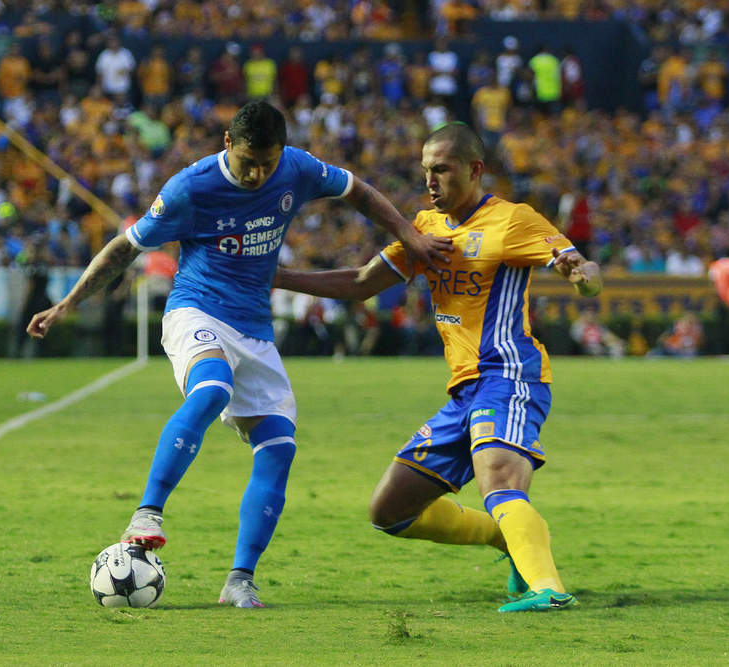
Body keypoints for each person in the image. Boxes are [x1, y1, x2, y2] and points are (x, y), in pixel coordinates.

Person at [27, 101, 452, 608]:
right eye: (248, 162)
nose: (257, 175)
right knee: (212, 388)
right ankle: (147, 513)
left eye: (267, 164)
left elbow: (357, 191)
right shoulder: (191, 188)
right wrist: (68, 303)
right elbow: (126, 246)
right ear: (228, 142)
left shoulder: (298, 168)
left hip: (254, 329)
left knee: (279, 447)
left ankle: (239, 581)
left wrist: (407, 233)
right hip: (197, 311)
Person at [273, 122, 602, 613]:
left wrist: (582, 277)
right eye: (426, 170)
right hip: (464, 392)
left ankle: (548, 590)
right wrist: (277, 277)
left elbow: (582, 267)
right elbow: (362, 283)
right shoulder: (425, 228)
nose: (430, 181)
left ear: (474, 170)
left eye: (442, 170)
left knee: (498, 477)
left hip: (509, 375)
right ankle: (508, 537)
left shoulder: (512, 220)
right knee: (390, 511)